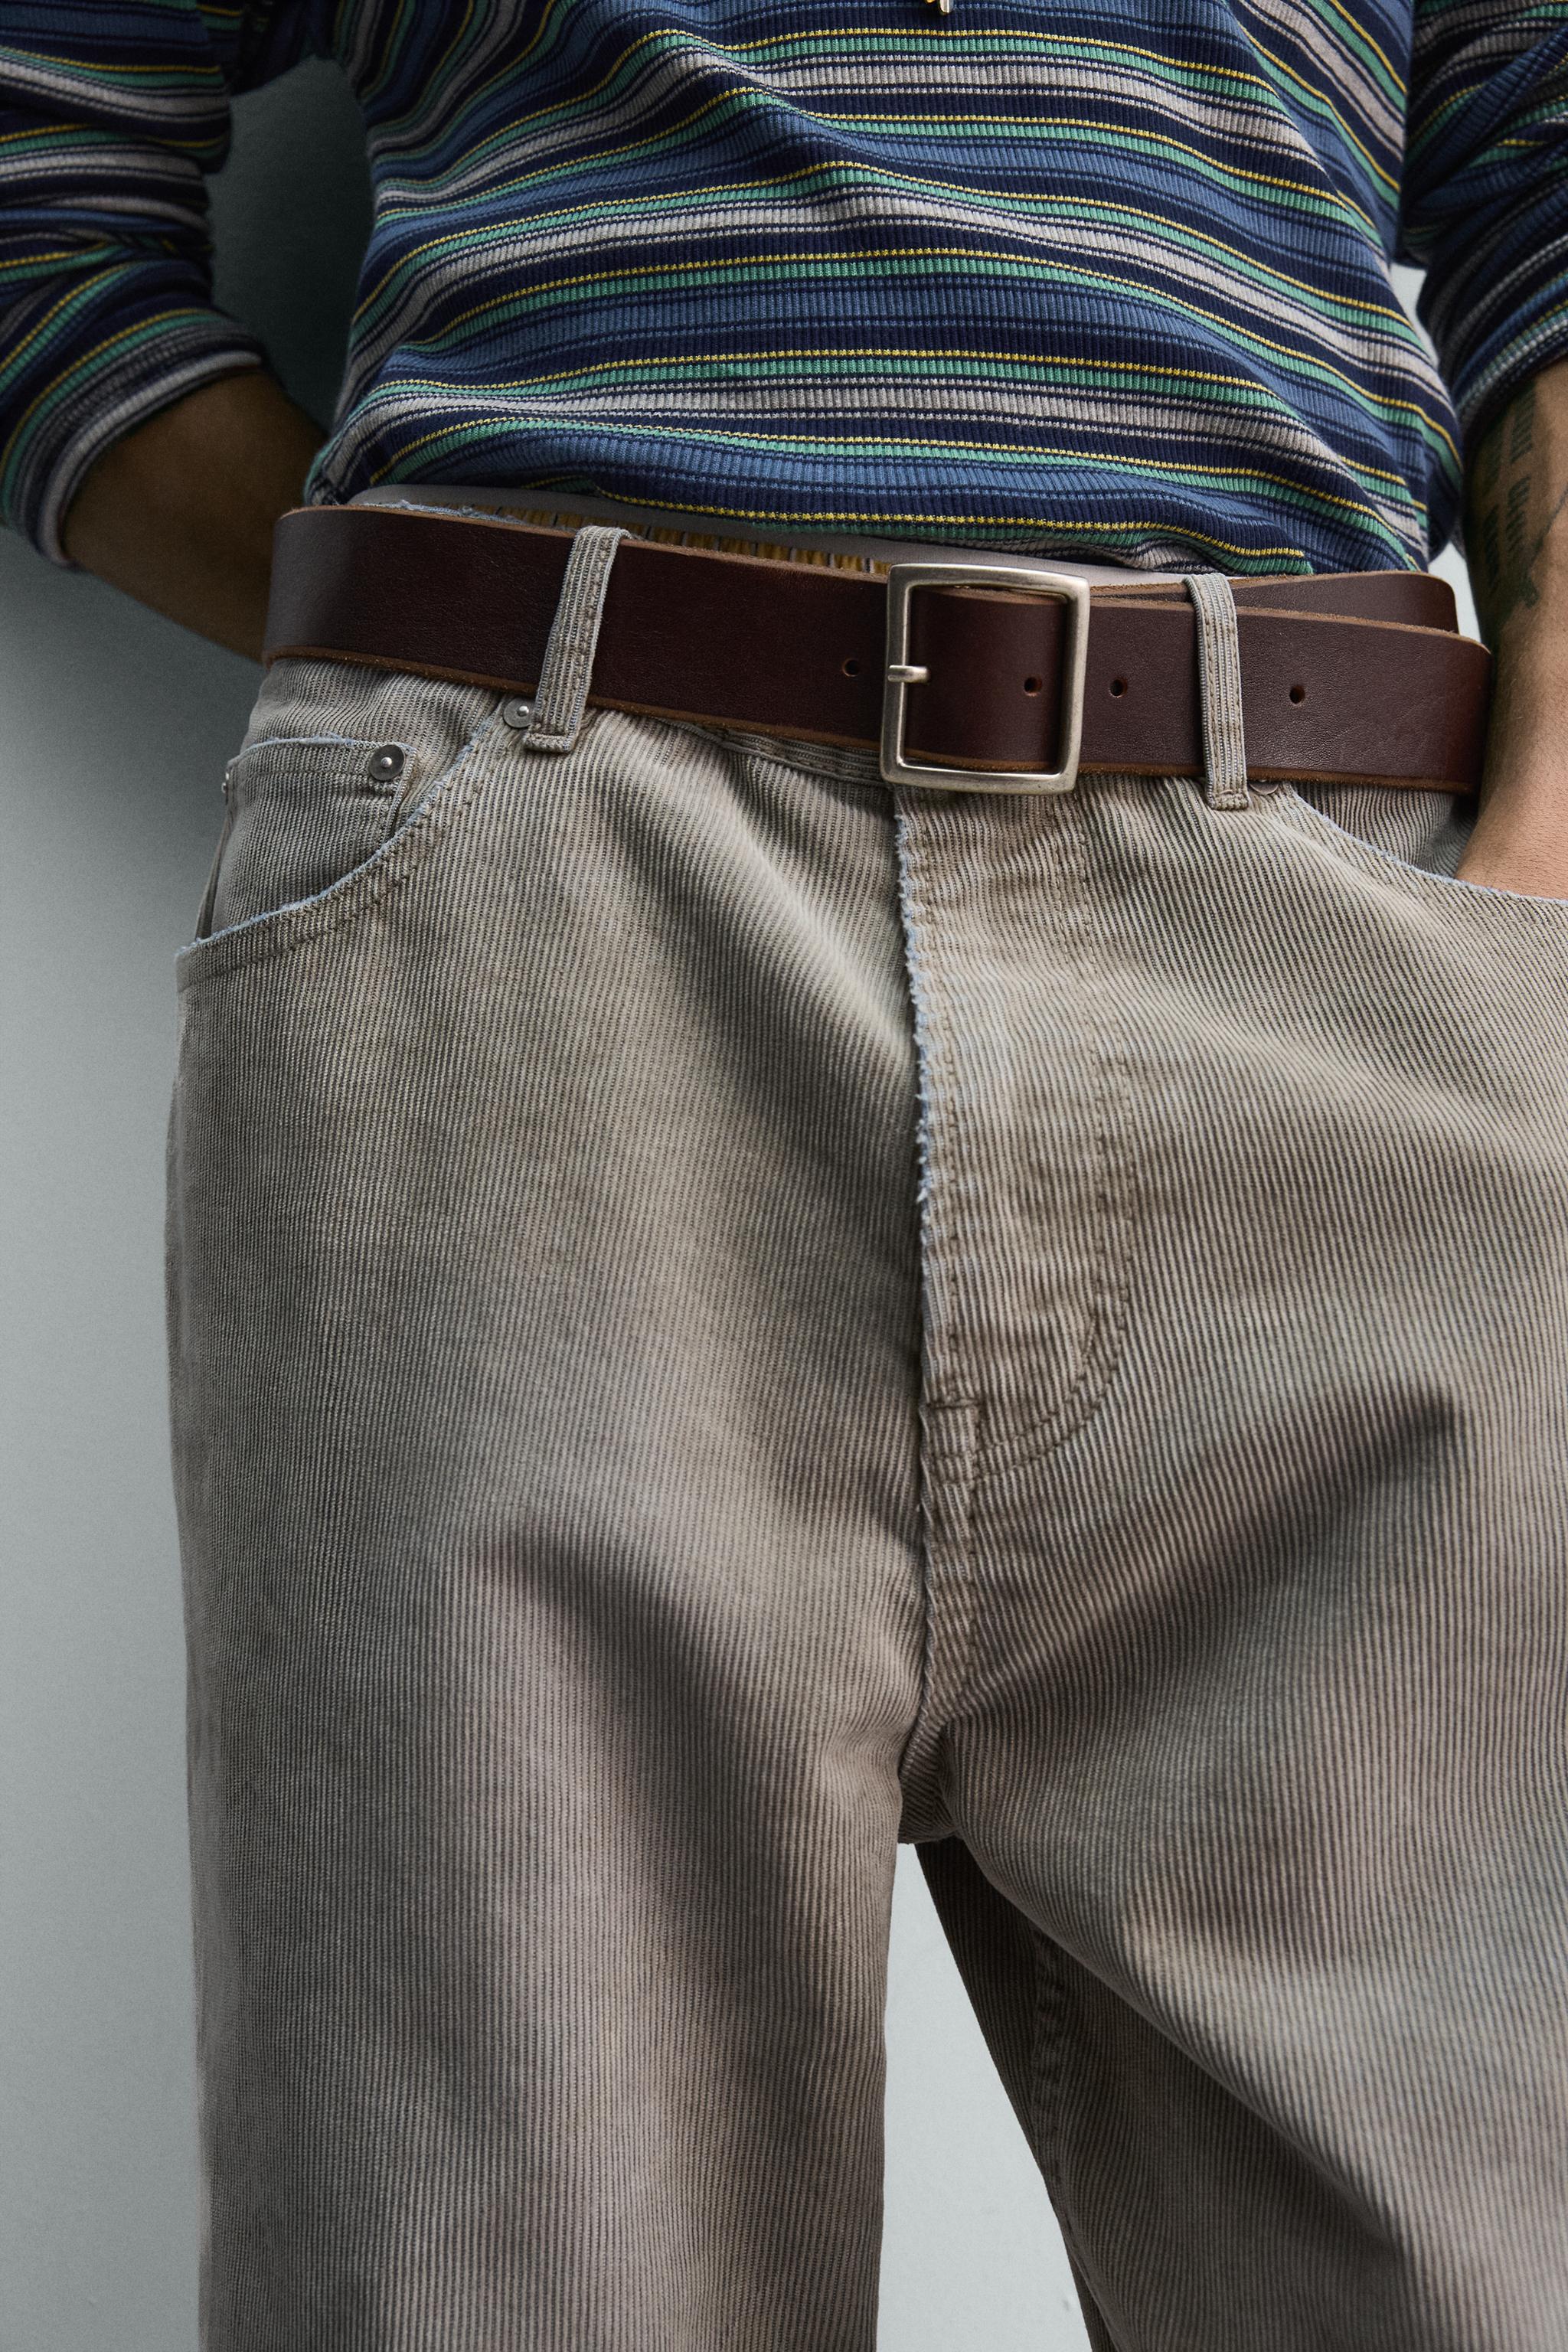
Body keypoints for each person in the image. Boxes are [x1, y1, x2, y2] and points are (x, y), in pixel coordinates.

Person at [3, 2, 1566, 2345]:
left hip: (1347, 945)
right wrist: (447, 641)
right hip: (557, 950)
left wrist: (1541, 876)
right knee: (510, 2281)